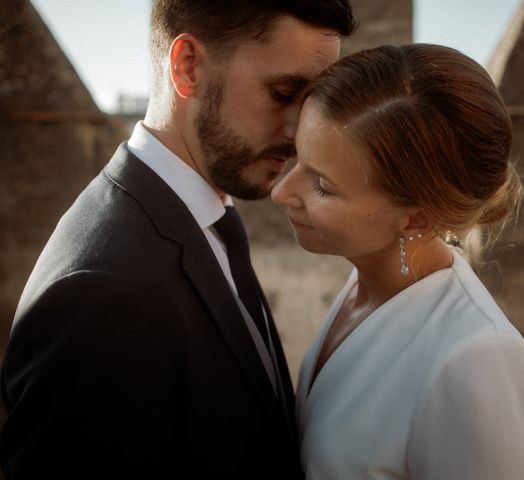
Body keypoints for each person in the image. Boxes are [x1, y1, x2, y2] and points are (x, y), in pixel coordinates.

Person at [0, 1, 355, 478]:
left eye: (310, 101)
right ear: (188, 67)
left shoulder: (207, 217)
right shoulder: (98, 295)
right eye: (283, 92)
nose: (297, 131)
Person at [271, 44, 524, 479]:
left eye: (321, 184)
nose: (281, 193)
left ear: (417, 217)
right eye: (298, 158)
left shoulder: (477, 363)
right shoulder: (365, 283)